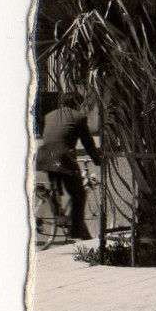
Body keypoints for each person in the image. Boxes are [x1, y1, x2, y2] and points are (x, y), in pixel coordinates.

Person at [38, 90, 100, 241]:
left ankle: (58, 213)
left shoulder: (49, 115)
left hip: (44, 157)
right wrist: (98, 160)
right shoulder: (79, 117)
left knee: (57, 187)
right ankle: (76, 233)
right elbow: (88, 143)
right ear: (78, 104)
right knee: (79, 194)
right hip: (62, 158)